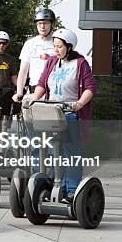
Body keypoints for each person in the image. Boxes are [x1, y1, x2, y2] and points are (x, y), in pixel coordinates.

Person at [24, 28, 96, 204]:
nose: (56, 50)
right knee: (53, 153)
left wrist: (80, 103)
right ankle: (57, 188)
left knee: (70, 153)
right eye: (54, 46)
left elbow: (90, 87)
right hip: (51, 113)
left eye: (59, 46)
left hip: (70, 114)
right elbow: (42, 84)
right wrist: (34, 99)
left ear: (69, 47)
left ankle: (71, 191)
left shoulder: (80, 63)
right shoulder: (51, 62)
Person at [13, 8, 56, 103]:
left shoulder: (57, 42)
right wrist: (19, 92)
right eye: (39, 24)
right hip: (34, 88)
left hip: (53, 89)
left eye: (45, 23)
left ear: (52, 24)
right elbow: (23, 71)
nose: (42, 27)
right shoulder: (30, 43)